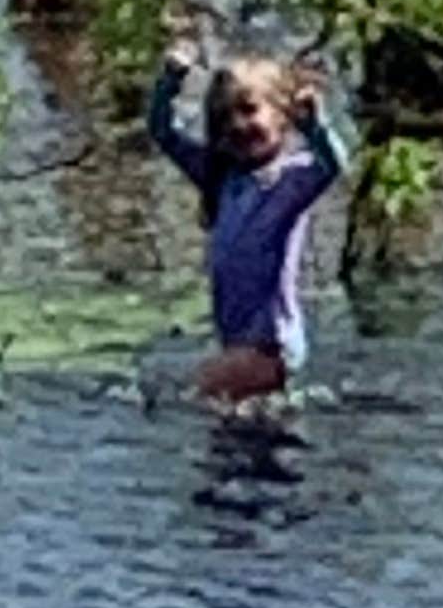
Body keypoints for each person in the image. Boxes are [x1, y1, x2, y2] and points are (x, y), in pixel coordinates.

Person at [146, 27, 348, 404]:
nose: (237, 125)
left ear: (281, 115)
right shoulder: (219, 176)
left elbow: (333, 165)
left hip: (271, 344)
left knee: (187, 399)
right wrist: (170, 81)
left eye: (249, 110)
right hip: (239, 339)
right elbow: (162, 132)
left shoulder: (290, 182)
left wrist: (315, 127)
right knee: (237, 440)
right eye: (224, 118)